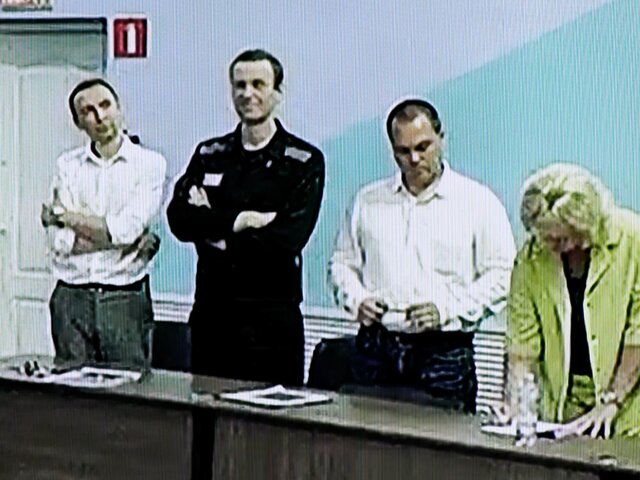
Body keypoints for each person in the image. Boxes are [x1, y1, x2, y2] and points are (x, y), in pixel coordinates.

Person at [326, 98, 516, 411]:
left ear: (441, 139)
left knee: (442, 439)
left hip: (444, 353)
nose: (414, 159)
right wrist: (357, 299)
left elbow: (502, 277)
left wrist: (447, 310)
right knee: (363, 435)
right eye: (403, 151)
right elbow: (342, 264)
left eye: (423, 147)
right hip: (376, 347)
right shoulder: (368, 201)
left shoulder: (478, 203)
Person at [167, 49, 325, 386]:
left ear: (277, 92)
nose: (247, 94)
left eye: (258, 84)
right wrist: (240, 221)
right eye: (240, 85)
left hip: (271, 320)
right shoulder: (210, 154)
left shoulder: (302, 162)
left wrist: (213, 228)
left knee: (270, 415)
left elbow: (286, 240)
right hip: (213, 315)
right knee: (207, 408)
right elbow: (179, 220)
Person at [506, 163, 640, 438]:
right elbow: (522, 345)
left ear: (585, 226)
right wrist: (517, 401)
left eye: (561, 238)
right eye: (545, 237)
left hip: (628, 405)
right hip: (562, 407)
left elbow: (638, 332)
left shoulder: (632, 240)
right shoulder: (531, 259)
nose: (550, 245)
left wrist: (613, 399)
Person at [41, 78, 166, 369]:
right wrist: (116, 239)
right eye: (88, 111)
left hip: (123, 296)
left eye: (105, 105)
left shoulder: (149, 164)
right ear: (78, 123)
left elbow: (127, 230)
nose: (99, 116)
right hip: (71, 296)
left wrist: (66, 217)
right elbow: (61, 242)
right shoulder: (67, 166)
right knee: (70, 388)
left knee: (128, 388)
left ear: (119, 108)